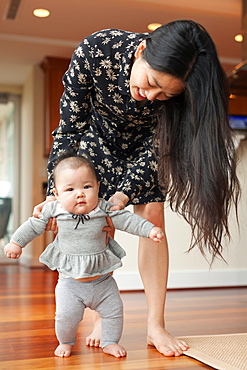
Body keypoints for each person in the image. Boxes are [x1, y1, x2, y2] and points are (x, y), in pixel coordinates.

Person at [33, 20, 240, 357]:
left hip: (148, 148)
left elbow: (160, 145)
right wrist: (56, 192)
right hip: (95, 140)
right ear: (142, 51)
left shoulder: (175, 93)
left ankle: (156, 325)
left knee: (153, 215)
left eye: (165, 94)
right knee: (100, 220)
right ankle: (102, 312)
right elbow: (70, 127)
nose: (152, 96)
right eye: (151, 83)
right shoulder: (97, 49)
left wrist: (125, 193)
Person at [4, 153, 164, 358]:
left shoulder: (104, 208)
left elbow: (128, 220)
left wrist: (150, 230)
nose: (80, 194)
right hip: (71, 284)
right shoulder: (54, 209)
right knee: (65, 317)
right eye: (70, 189)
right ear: (57, 193)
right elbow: (32, 226)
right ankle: (66, 342)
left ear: (97, 186)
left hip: (103, 282)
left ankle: (110, 342)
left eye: (86, 187)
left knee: (114, 313)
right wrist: (16, 242)